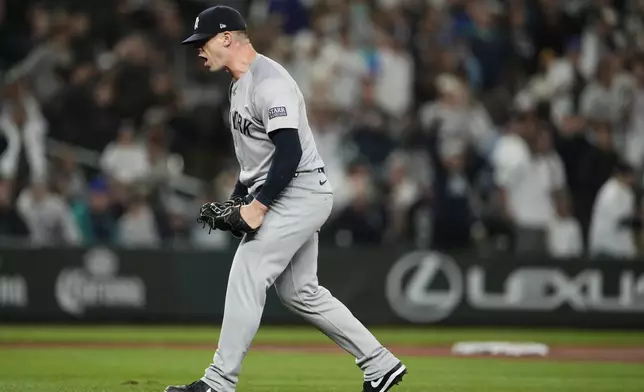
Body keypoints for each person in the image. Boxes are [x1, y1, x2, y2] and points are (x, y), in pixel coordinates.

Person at [166, 6, 406, 392]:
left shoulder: (269, 80)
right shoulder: (238, 85)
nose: (198, 50)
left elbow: (288, 152)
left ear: (227, 38)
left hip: (300, 190)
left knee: (248, 271)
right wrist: (237, 201)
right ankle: (380, 364)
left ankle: (218, 383)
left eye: (203, 41)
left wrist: (257, 208)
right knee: (301, 293)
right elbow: (254, 164)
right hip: (287, 191)